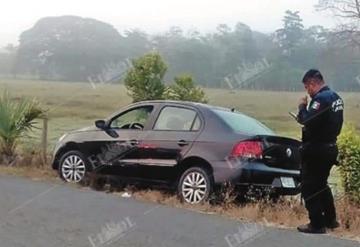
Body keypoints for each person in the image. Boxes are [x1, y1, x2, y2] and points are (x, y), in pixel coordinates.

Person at [296, 69, 344, 234]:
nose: (307, 91)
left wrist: (302, 107)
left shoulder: (320, 99)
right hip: (330, 147)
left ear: (312, 83)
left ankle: (316, 224)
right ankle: (331, 220)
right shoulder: (336, 97)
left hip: (317, 149)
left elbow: (307, 120)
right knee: (321, 185)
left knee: (309, 186)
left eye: (307, 87)